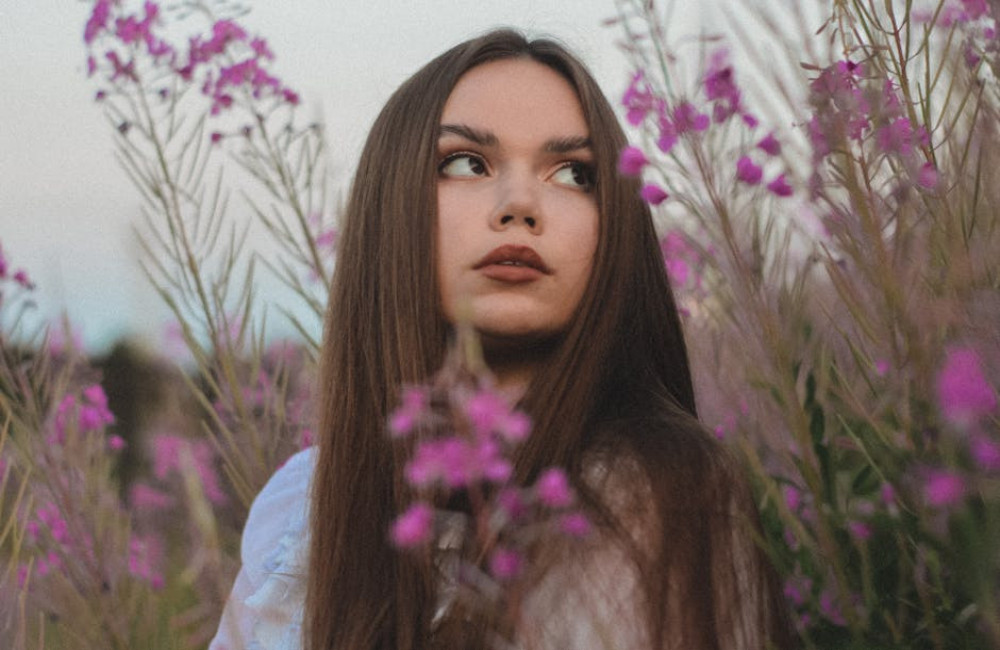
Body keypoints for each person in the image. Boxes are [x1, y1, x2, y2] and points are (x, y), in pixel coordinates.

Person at [211, 29, 794, 650]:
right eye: (466, 162)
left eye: (574, 173)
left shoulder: (658, 494)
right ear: (391, 206)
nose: (520, 204)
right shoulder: (302, 506)